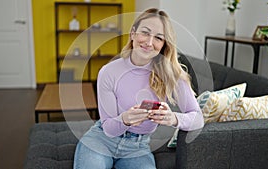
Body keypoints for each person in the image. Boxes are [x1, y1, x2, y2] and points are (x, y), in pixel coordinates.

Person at [73, 8, 204, 169]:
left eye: (158, 38)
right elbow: (108, 127)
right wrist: (125, 119)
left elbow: (198, 118)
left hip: (137, 149)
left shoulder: (171, 74)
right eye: (145, 33)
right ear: (133, 34)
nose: (149, 42)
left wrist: (173, 118)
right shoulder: (109, 72)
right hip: (101, 141)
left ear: (164, 44)